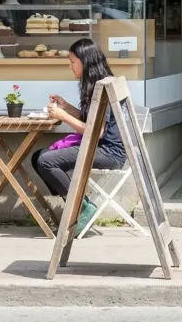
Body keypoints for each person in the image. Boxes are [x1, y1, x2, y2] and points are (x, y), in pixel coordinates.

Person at [33, 38, 127, 236]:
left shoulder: (102, 89)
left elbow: (97, 132)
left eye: (72, 61)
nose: (70, 66)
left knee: (45, 161)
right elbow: (91, 120)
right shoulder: (97, 83)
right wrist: (67, 107)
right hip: (99, 146)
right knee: (38, 157)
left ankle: (82, 208)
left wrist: (63, 116)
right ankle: (77, 207)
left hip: (109, 152)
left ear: (85, 61)